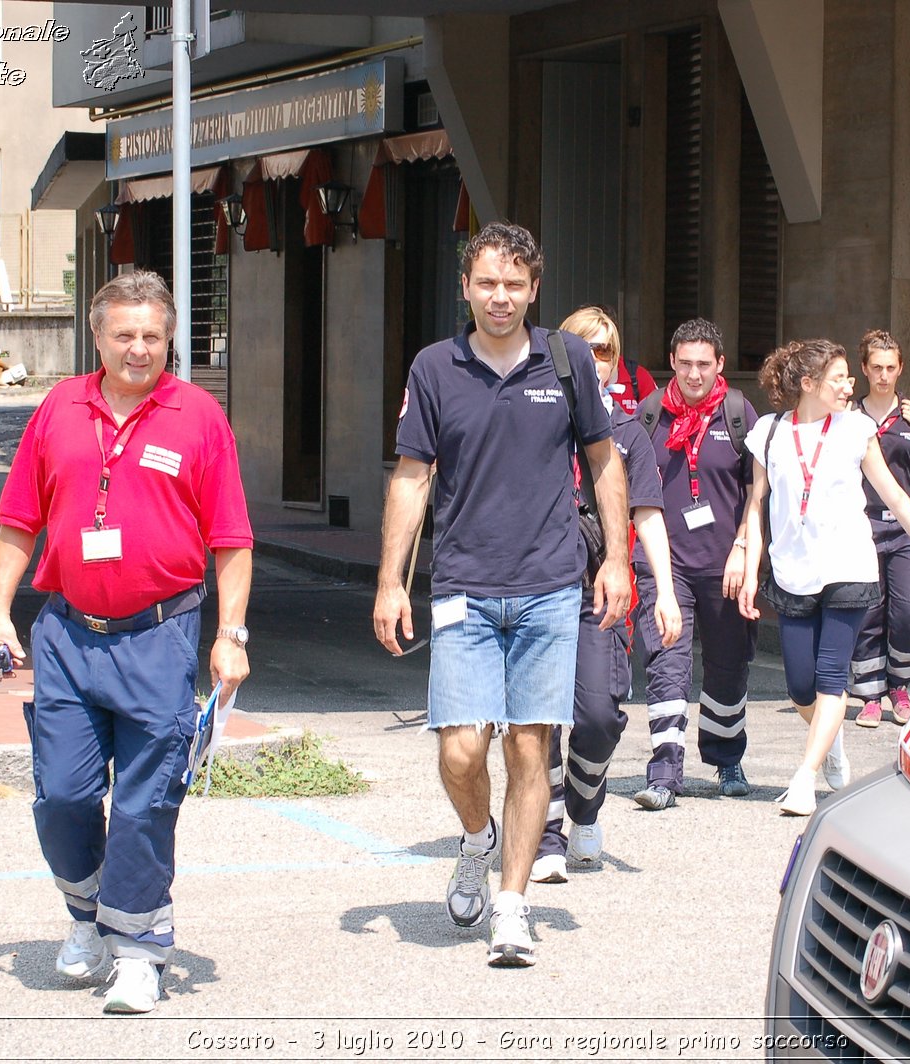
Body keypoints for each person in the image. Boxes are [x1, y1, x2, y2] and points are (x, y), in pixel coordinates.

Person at [0, 270, 253, 1014]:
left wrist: (229, 636)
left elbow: (231, 540)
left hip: (159, 636)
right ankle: (88, 915)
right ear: (96, 336)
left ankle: (138, 951)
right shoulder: (58, 409)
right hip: (68, 633)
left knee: (144, 803)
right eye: (124, 335)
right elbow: (18, 522)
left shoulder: (198, 417)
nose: (139, 349)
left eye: (153, 336)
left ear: (171, 339)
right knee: (64, 795)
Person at [373, 222, 632, 968]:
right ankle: (476, 838)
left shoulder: (568, 358)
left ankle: (512, 906)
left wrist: (615, 560)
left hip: (550, 585)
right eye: (487, 283)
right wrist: (391, 581)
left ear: (534, 289)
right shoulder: (434, 367)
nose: (500, 297)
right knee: (460, 750)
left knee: (528, 746)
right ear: (466, 286)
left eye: (514, 285)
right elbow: (413, 478)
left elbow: (605, 463)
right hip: (463, 586)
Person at [738, 339, 910, 817]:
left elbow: (897, 498)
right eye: (838, 378)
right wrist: (750, 567)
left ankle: (804, 777)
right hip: (794, 570)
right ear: (808, 385)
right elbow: (756, 505)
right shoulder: (769, 433)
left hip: (849, 566)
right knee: (801, 686)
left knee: (832, 677)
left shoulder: (857, 429)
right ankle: (829, 741)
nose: (849, 386)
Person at [531, 307, 681, 885]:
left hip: (601, 592)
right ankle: (542, 833)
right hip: (536, 587)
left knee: (597, 714)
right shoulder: (536, 424)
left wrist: (665, 592)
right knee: (536, 717)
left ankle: (583, 808)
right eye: (583, 347)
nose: (595, 359)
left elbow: (649, 515)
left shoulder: (627, 434)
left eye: (605, 350)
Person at [631, 318, 759, 809]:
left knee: (729, 664)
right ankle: (664, 772)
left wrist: (745, 553)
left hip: (725, 563)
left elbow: (756, 492)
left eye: (703, 364)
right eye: (684, 364)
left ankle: (726, 757)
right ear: (672, 363)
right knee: (668, 661)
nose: (693, 374)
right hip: (665, 564)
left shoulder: (737, 413)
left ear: (719, 365)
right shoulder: (649, 415)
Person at [848, 331, 910, 728]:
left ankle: (900, 685)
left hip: (909, 528)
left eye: (891, 368)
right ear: (864, 368)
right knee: (868, 611)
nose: (884, 376)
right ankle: (870, 694)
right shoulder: (849, 418)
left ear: (900, 368)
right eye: (876, 367)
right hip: (863, 525)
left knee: (909, 611)